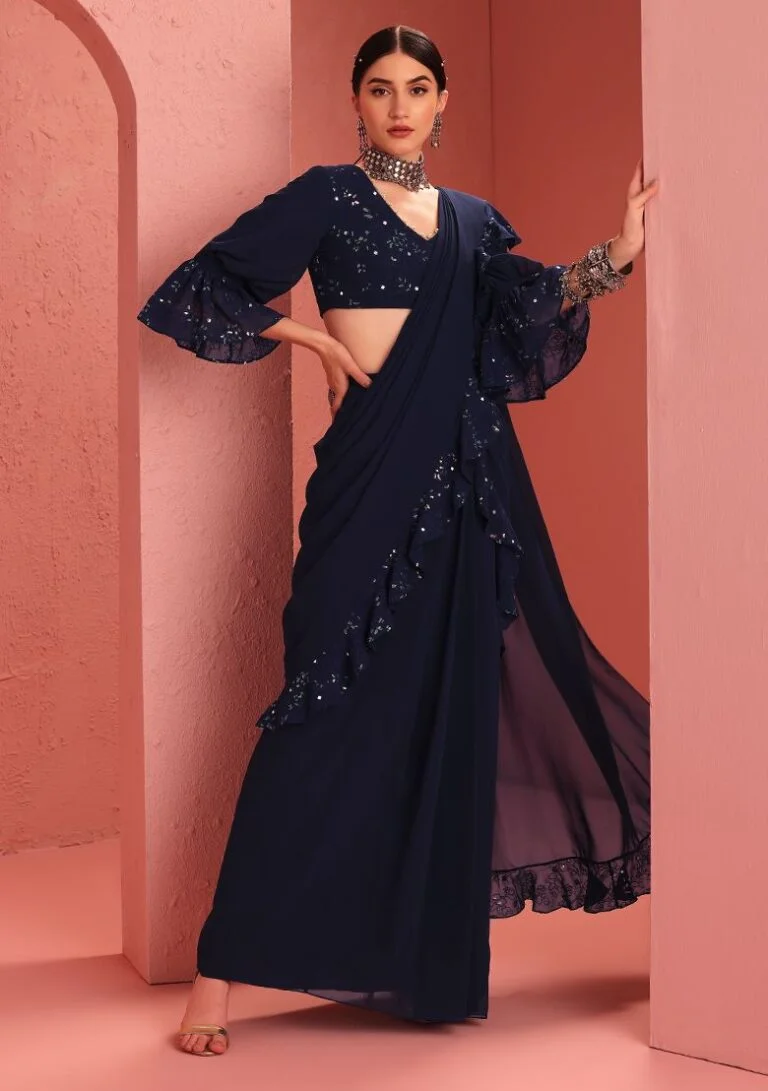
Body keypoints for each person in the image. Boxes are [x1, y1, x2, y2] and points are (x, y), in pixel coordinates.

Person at [137, 24, 658, 1057]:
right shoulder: (326, 199)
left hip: (468, 490)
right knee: (317, 707)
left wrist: (618, 253)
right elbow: (203, 284)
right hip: (368, 479)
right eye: (380, 89)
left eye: (418, 88)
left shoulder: (472, 222)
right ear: (356, 102)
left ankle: (419, 960)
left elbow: (525, 316)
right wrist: (312, 337)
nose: (401, 106)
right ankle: (217, 975)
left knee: (445, 709)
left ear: (443, 100)